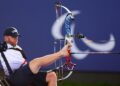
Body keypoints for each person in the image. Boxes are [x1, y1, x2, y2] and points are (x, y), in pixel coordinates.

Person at [0, 27, 71, 86]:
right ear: (6, 38)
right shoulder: (2, 47)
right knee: (35, 62)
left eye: (17, 36)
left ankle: (61, 54)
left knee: (52, 76)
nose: (16, 38)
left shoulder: (18, 48)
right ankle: (62, 53)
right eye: (13, 37)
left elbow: (26, 66)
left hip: (25, 75)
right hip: (14, 77)